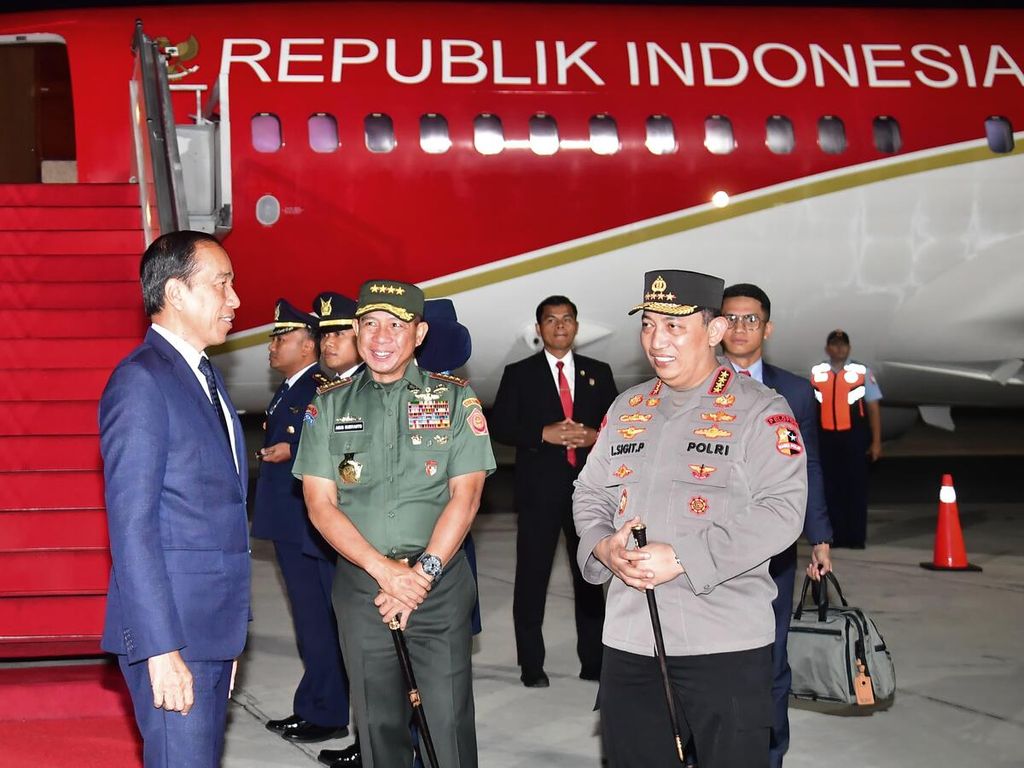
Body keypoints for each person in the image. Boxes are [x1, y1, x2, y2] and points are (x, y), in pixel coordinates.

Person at [573, 269, 807, 768]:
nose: (657, 340)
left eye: (675, 326)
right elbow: (590, 491)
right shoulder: (627, 407)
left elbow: (782, 511)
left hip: (723, 646)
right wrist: (602, 546)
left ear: (716, 331)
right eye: (649, 324)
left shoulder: (760, 411)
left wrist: (681, 557)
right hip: (629, 642)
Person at [294, 279, 496, 768]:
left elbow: (465, 498)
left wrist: (419, 576)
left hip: (439, 588)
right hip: (364, 589)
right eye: (369, 324)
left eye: (396, 325)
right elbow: (321, 505)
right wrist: (386, 574)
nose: (381, 337)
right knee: (377, 729)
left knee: (446, 726)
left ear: (420, 333)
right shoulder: (329, 404)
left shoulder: (455, 400)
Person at [99, 230, 248, 767]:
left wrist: (226, 640)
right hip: (173, 634)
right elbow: (132, 528)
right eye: (222, 284)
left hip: (208, 631)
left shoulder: (202, 375)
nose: (234, 300)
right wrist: (161, 649)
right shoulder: (141, 383)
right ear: (177, 293)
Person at [720, 283, 833, 768]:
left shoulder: (794, 391)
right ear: (716, 326)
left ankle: (769, 754)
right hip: (711, 542)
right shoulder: (694, 382)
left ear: (767, 327)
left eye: (752, 319)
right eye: (732, 318)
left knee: (771, 655)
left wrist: (821, 536)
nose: (741, 328)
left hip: (775, 546)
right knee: (712, 659)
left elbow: (808, 467)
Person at [490, 295, 617, 688]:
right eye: (551, 320)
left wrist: (595, 435)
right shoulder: (519, 372)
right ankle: (531, 665)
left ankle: (594, 662)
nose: (559, 326)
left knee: (591, 577)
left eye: (566, 320)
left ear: (576, 327)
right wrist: (540, 434)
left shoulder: (599, 371)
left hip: (588, 493)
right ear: (539, 328)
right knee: (532, 578)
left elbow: (619, 423)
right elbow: (501, 426)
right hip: (537, 492)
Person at [253, 299, 350, 744]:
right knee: (310, 621)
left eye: (282, 338)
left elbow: (327, 443)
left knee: (320, 620)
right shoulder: (293, 387)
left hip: (307, 523)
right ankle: (316, 705)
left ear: (307, 346)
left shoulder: (316, 387)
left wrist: (292, 451)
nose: (272, 346)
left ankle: (327, 711)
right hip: (291, 523)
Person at [810, 329, 883, 548]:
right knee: (829, 489)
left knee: (855, 488)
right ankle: (834, 535)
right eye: (834, 344)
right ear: (827, 348)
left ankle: (855, 537)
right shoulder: (817, 373)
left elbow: (873, 407)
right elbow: (810, 407)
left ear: (849, 348)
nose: (839, 348)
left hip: (854, 437)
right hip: (826, 438)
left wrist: (876, 441)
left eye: (843, 344)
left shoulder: (861, 372)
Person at [314, 291, 361, 379]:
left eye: (338, 334)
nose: (327, 342)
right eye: (325, 335)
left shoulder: (374, 386)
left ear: (361, 336)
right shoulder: (333, 385)